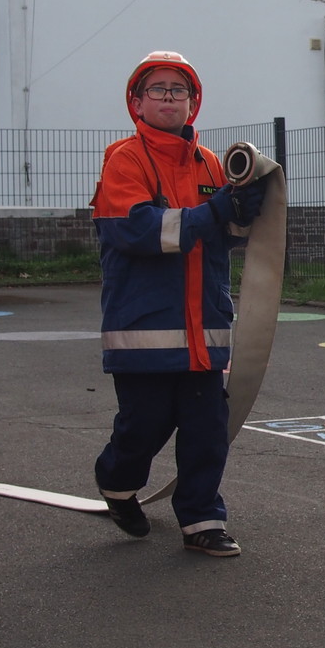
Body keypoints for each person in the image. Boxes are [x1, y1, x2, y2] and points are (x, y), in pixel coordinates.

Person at [90, 51, 268, 556]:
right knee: (143, 427)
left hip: (203, 330)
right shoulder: (124, 159)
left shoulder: (210, 163)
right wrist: (215, 212)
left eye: (179, 90)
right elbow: (141, 231)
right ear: (137, 102)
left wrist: (243, 212)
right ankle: (117, 483)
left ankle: (202, 520)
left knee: (206, 430)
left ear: (193, 102)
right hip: (144, 327)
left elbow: (225, 237)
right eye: (158, 89)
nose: (169, 97)